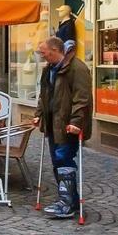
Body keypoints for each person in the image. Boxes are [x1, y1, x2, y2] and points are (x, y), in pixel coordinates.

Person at [32, 36, 92, 221]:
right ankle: (69, 201)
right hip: (52, 124)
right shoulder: (49, 69)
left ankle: (67, 203)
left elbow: (82, 98)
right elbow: (44, 95)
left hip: (67, 125)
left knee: (63, 159)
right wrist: (39, 114)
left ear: (55, 50)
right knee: (58, 162)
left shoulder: (77, 68)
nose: (42, 55)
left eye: (44, 52)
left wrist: (76, 121)